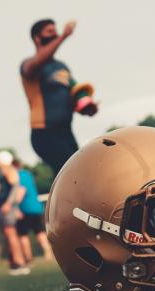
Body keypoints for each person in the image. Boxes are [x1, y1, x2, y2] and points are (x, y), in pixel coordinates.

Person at [20, 19, 99, 176]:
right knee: (71, 173)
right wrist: (63, 36)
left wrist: (86, 107)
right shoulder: (29, 65)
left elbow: (75, 94)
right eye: (49, 31)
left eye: (55, 31)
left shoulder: (61, 67)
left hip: (65, 132)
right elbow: (33, 66)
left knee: (82, 173)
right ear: (37, 38)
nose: (54, 34)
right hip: (45, 133)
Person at [0, 150, 29, 276]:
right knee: (7, 235)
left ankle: (20, 263)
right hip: (0, 207)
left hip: (7, 207)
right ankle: (14, 263)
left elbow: (15, 187)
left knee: (11, 233)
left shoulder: (7, 170)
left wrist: (9, 203)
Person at [12, 160, 53, 262]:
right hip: (37, 207)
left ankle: (28, 256)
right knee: (39, 232)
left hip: (25, 209)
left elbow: (21, 191)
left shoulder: (18, 176)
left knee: (23, 234)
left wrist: (14, 206)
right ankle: (47, 251)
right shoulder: (28, 174)